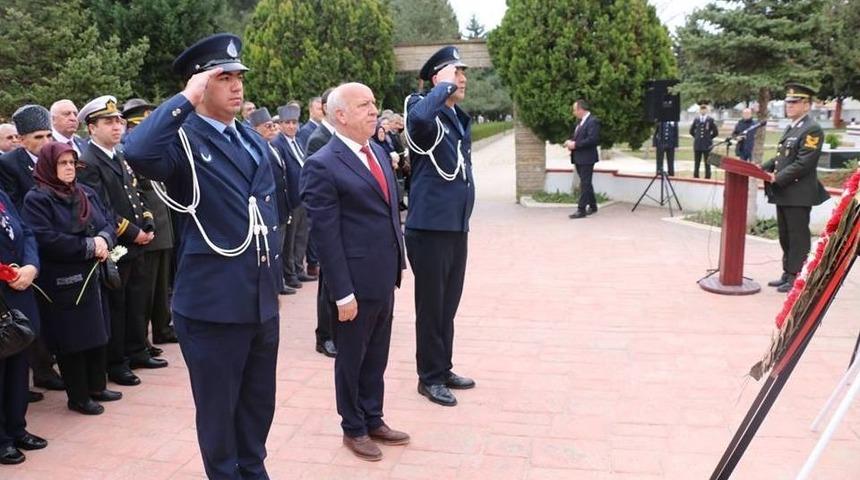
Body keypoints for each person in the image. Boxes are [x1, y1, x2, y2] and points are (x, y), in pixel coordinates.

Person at [122, 33, 282, 480]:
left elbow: (270, 215)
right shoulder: (182, 141)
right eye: (223, 77)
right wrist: (186, 99)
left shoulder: (251, 140)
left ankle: (254, 470)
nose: (236, 86)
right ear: (200, 85)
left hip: (258, 302)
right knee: (219, 416)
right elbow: (136, 152)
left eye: (238, 77)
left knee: (257, 407)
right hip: (212, 307)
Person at [300, 82, 408, 461]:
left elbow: (389, 211)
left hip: (383, 275)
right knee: (351, 358)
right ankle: (353, 426)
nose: (373, 110)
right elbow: (326, 236)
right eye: (364, 105)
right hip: (353, 285)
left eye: (374, 103)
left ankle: (373, 416)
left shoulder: (376, 150)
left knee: (377, 354)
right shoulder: (323, 163)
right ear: (340, 115)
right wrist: (342, 292)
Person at [23, 142, 120, 415]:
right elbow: (43, 237)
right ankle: (78, 396)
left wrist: (103, 239)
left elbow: (108, 221)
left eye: (71, 163)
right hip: (64, 281)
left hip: (94, 276)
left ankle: (97, 386)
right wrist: (87, 246)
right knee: (73, 341)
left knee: (98, 332)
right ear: (48, 167)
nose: (68, 168)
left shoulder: (85, 192)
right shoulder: (37, 198)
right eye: (62, 163)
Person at [76, 95, 165, 387]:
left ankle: (137, 349)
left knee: (137, 300)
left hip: (136, 242)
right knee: (117, 304)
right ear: (91, 128)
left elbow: (137, 194)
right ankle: (116, 363)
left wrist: (148, 222)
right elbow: (100, 209)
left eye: (119, 121)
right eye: (108, 122)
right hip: (115, 245)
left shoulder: (120, 156)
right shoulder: (89, 162)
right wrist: (134, 232)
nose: (117, 127)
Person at [405, 46, 476, 407]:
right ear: (437, 79)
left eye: (462, 73)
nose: (462, 78)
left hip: (454, 225)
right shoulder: (422, 111)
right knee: (431, 306)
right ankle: (428, 377)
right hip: (429, 228)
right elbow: (416, 121)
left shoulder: (455, 118)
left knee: (448, 304)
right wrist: (441, 89)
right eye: (454, 72)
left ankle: (443, 366)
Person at [0, 105, 66, 394]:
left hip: (52, 249)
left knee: (53, 314)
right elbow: (15, 213)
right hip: (25, 253)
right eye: (38, 137)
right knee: (28, 317)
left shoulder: (54, 159)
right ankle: (40, 368)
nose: (45, 142)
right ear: (23, 138)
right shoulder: (10, 164)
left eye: (48, 135)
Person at [761, 83, 830, 293]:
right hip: (785, 192)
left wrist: (776, 178)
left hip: (798, 193)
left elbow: (804, 163)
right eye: (787, 102)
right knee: (785, 235)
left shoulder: (812, 129)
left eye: (794, 102)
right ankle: (787, 273)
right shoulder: (793, 127)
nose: (789, 106)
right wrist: (762, 169)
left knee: (798, 236)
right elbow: (783, 157)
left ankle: (798, 277)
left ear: (807, 105)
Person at [122, 99, 179, 347]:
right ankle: (141, 339)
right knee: (145, 290)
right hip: (146, 229)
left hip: (163, 226)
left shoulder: (155, 150)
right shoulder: (129, 153)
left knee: (162, 284)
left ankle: (162, 327)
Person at [0, 180, 47, 465]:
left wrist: (31, 266)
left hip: (19, 291)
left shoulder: (1, 193)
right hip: (4, 289)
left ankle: (17, 428)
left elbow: (26, 232)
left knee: (19, 365)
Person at [249, 107, 295, 296]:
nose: (272, 129)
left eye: (273, 125)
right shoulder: (257, 149)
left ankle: (280, 281)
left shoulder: (272, 146)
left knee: (281, 246)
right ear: (256, 128)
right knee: (273, 248)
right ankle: (275, 284)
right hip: (269, 207)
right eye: (267, 126)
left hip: (281, 205)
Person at [564, 99, 601, 218]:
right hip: (579, 157)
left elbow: (592, 140)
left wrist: (575, 145)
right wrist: (570, 143)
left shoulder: (592, 121)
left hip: (587, 158)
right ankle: (593, 205)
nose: (573, 112)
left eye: (574, 110)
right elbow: (579, 138)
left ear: (581, 109)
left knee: (584, 183)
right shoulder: (580, 122)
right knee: (587, 183)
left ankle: (581, 210)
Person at [690, 101, 718, 179]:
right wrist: (696, 137)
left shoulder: (710, 120)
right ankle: (696, 176)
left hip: (707, 145)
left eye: (704, 109)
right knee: (697, 162)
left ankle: (708, 177)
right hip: (698, 144)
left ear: (707, 110)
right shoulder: (696, 119)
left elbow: (715, 132)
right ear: (699, 110)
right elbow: (691, 131)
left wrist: (709, 138)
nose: (703, 110)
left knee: (707, 162)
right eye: (701, 109)